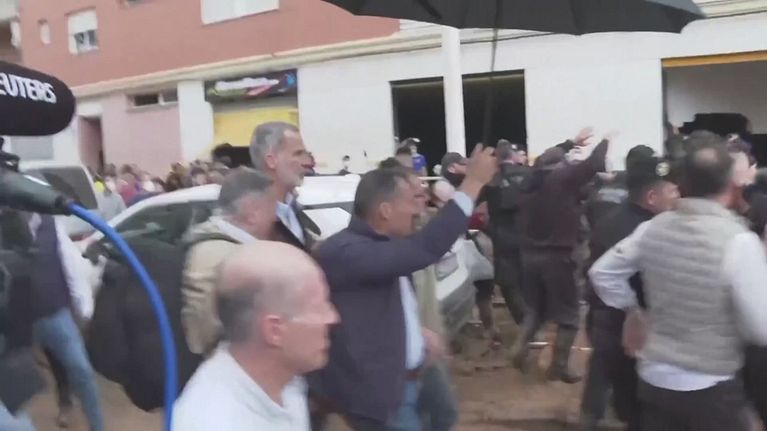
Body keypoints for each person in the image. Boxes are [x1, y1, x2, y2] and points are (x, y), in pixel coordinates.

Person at [308, 145, 497, 431]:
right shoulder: (347, 251)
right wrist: (473, 183)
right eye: (412, 201)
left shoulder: (382, 244)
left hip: (417, 369)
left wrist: (414, 333)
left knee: (444, 417)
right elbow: (426, 248)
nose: (419, 209)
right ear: (385, 210)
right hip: (383, 392)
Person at [589, 132, 767, 431]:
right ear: (729, 184)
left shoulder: (652, 228)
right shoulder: (738, 241)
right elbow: (760, 329)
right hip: (711, 383)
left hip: (654, 378)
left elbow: (602, 273)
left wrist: (633, 311)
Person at [173, 242, 339, 431]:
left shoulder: (285, 382)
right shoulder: (215, 423)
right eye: (319, 307)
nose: (333, 318)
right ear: (274, 331)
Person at [580, 153, 679, 431]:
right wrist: (634, 309)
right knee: (633, 396)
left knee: (603, 375)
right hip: (625, 320)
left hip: (604, 315)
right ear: (651, 197)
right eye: (672, 191)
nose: (677, 197)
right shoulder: (644, 230)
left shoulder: (615, 216)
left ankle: (591, 418)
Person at [512, 128, 609, 383]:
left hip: (528, 256)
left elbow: (546, 161)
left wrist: (569, 144)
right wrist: (606, 139)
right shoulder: (560, 181)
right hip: (558, 258)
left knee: (535, 310)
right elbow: (593, 164)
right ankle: (559, 366)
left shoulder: (528, 182)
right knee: (569, 315)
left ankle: (518, 351)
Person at [182, 168, 278, 356]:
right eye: (272, 208)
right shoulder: (215, 254)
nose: (275, 217)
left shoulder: (229, 248)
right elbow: (203, 334)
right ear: (252, 212)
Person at [26, 213, 104, 431]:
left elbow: (72, 268)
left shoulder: (51, 225)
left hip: (55, 314)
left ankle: (96, 425)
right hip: (19, 321)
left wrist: (84, 309)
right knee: (13, 383)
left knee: (81, 370)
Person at [483, 140, 531, 327]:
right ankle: (533, 319)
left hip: (501, 234)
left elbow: (473, 203)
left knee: (509, 282)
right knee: (528, 276)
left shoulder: (490, 179)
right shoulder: (529, 174)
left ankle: (523, 320)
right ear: (513, 156)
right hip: (528, 233)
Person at [250, 122, 316, 251]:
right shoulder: (252, 219)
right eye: (298, 154)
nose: (307, 163)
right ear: (271, 161)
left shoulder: (295, 209)